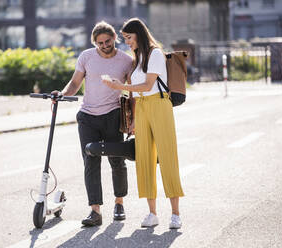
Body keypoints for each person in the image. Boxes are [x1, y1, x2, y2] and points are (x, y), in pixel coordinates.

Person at [101, 18, 184, 229]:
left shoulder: (154, 53)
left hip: (159, 105)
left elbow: (148, 85)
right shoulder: (137, 58)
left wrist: (119, 85)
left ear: (139, 34)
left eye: (129, 37)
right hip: (144, 107)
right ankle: (152, 213)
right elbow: (139, 92)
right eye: (125, 38)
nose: (127, 42)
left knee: (167, 156)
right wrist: (134, 119)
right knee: (144, 158)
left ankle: (175, 214)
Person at [51, 21, 133, 226]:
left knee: (117, 159)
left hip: (113, 115)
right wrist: (62, 94)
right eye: (100, 43)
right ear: (94, 43)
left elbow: (131, 93)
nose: (104, 46)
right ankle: (95, 211)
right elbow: (75, 83)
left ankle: (119, 203)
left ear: (115, 38)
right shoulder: (86, 57)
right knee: (90, 161)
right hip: (88, 116)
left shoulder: (126, 61)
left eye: (108, 41)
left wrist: (134, 120)